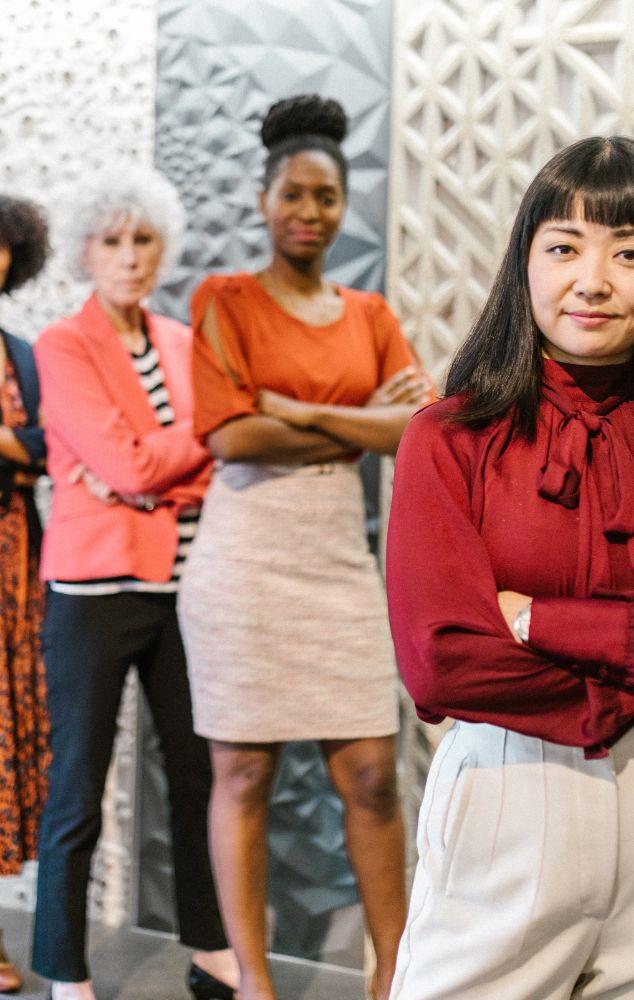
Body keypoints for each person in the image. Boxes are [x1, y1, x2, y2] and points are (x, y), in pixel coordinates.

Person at [178, 94, 435, 1000]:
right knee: (244, 774)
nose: (308, 211)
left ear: (342, 206)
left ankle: (393, 974)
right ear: (263, 200)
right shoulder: (224, 300)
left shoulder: (369, 313)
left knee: (371, 776)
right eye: (292, 193)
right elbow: (230, 437)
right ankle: (255, 982)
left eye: (325, 196)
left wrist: (290, 407)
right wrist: (360, 417)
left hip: (337, 560)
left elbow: (416, 432)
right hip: (244, 561)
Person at [386, 135, 634, 1000]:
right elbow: (442, 657)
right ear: (524, 261)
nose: (593, 281)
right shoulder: (449, 438)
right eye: (565, 248)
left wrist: (534, 617)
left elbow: (489, 634)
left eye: (629, 253)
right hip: (509, 790)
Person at [31, 166, 236, 1000]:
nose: (129, 256)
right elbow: (128, 462)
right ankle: (63, 968)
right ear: (84, 250)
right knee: (78, 787)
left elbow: (197, 462)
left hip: (183, 589)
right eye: (111, 240)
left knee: (198, 775)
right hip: (93, 595)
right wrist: (149, 466)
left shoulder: (183, 342)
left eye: (143, 239)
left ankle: (211, 946)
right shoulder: (62, 345)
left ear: (163, 247)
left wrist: (148, 473)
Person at [0, 193, 50, 994]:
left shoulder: (27, 353)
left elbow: (50, 444)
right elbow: (29, 446)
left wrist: (7, 443)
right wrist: (18, 446)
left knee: (6, 731)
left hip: (20, 561)